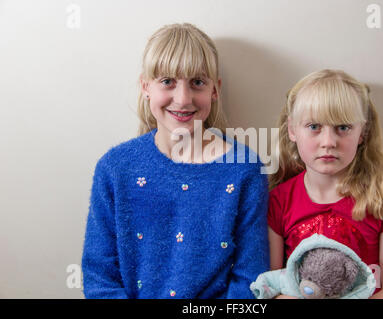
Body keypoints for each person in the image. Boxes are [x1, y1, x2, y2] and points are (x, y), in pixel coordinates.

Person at [82, 23, 269, 299]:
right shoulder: (114, 169)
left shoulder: (245, 170)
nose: (183, 99)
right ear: (146, 86)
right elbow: (100, 280)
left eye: (197, 82)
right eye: (167, 81)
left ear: (215, 90)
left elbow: (250, 280)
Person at [268, 69, 383, 298]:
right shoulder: (278, 201)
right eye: (314, 127)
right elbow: (271, 287)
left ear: (362, 132)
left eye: (343, 128)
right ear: (292, 130)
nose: (328, 142)